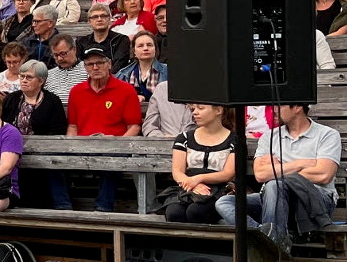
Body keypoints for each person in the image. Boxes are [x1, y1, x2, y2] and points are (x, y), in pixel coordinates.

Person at [217, 104, 339, 247]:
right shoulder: (270, 136)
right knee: (224, 203)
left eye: (279, 105)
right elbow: (261, 175)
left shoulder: (327, 134)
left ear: (298, 107)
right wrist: (299, 163)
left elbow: (323, 175)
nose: (274, 109)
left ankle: (273, 245)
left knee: (275, 184)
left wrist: (276, 169)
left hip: (316, 200)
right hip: (274, 197)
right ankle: (267, 236)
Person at [61, 43, 143, 211]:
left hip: (114, 144)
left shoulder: (126, 90)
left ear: (109, 64)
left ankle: (103, 207)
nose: (95, 67)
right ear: (85, 67)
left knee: (113, 158)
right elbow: (73, 126)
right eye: (90, 64)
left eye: (100, 62)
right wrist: (71, 146)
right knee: (51, 157)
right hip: (83, 144)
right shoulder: (76, 92)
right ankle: (62, 205)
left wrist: (119, 144)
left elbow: (134, 127)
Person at [161, 104, 237, 224]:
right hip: (188, 188)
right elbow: (177, 171)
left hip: (219, 190)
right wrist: (193, 184)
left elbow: (228, 174)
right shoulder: (184, 138)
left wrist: (198, 179)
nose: (195, 112)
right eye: (193, 109)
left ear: (218, 110)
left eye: (200, 108)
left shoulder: (234, 140)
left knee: (196, 212)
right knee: (174, 213)